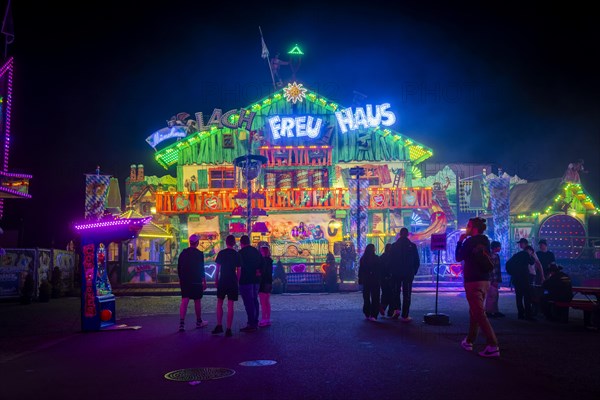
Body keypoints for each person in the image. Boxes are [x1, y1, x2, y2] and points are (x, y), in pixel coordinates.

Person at [456, 217, 500, 358]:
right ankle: (469, 341)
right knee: (475, 311)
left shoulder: (469, 241)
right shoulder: (486, 240)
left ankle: (493, 345)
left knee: (479, 313)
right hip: (485, 280)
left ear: (473, 228)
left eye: (468, 226)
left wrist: (459, 241)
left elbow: (458, 257)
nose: (466, 228)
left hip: (472, 281)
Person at [212, 235, 241, 337]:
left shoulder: (221, 253)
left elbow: (217, 268)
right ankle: (229, 328)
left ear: (226, 242)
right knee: (230, 305)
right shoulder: (236, 254)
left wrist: (216, 280)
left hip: (223, 280)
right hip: (232, 280)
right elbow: (239, 270)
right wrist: (237, 281)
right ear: (234, 243)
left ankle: (219, 325)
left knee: (219, 303)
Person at [177, 234, 207, 332]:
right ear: (197, 243)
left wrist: (181, 279)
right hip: (196, 280)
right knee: (197, 301)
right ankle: (199, 321)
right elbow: (201, 269)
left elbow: (179, 267)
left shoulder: (183, 253)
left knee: (184, 300)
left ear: (190, 242)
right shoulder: (199, 254)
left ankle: (182, 323)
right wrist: (204, 281)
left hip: (185, 280)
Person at [389, 227, 420, 322]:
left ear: (399, 234)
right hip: (408, 273)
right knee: (407, 294)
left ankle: (396, 309)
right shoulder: (412, 246)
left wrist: (391, 271)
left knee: (396, 292)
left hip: (396, 273)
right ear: (407, 235)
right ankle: (405, 315)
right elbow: (417, 261)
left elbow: (390, 261)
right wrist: (413, 271)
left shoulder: (394, 246)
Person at [505, 238, 536, 321]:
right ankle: (528, 315)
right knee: (527, 296)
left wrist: (513, 273)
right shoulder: (526, 254)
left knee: (518, 297)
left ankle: (521, 314)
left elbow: (508, 264)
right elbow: (532, 262)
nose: (520, 245)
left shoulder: (517, 255)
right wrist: (530, 255)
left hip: (516, 279)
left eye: (521, 243)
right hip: (524, 279)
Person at [238, 235, 264, 332]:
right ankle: (255, 321)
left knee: (248, 302)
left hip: (245, 280)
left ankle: (251, 323)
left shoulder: (240, 253)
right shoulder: (256, 251)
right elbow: (263, 263)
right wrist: (259, 272)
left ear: (241, 243)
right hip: (256, 280)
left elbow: (238, 267)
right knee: (254, 300)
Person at [358, 244, 380, 321]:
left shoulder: (363, 259)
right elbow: (379, 270)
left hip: (366, 280)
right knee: (375, 297)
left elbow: (361, 270)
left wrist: (360, 279)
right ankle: (374, 314)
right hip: (375, 280)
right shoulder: (376, 258)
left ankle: (367, 312)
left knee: (366, 297)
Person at [485, 241, 505, 318]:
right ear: (496, 247)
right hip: (492, 279)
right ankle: (489, 312)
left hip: (490, 279)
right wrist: (494, 280)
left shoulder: (491, 255)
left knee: (494, 295)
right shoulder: (494, 256)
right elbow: (493, 269)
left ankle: (494, 311)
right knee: (492, 295)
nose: (500, 248)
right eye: (499, 246)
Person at [258, 246, 273, 327]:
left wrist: (258, 273)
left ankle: (263, 319)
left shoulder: (263, 261)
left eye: (261, 251)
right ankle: (268, 319)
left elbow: (261, 272)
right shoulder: (270, 260)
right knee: (267, 302)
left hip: (263, 282)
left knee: (263, 302)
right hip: (269, 282)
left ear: (263, 252)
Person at [378, 243, 394, 317]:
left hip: (382, 278)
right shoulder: (391, 257)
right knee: (391, 294)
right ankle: (389, 311)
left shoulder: (381, 257)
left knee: (385, 293)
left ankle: (383, 307)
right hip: (390, 278)